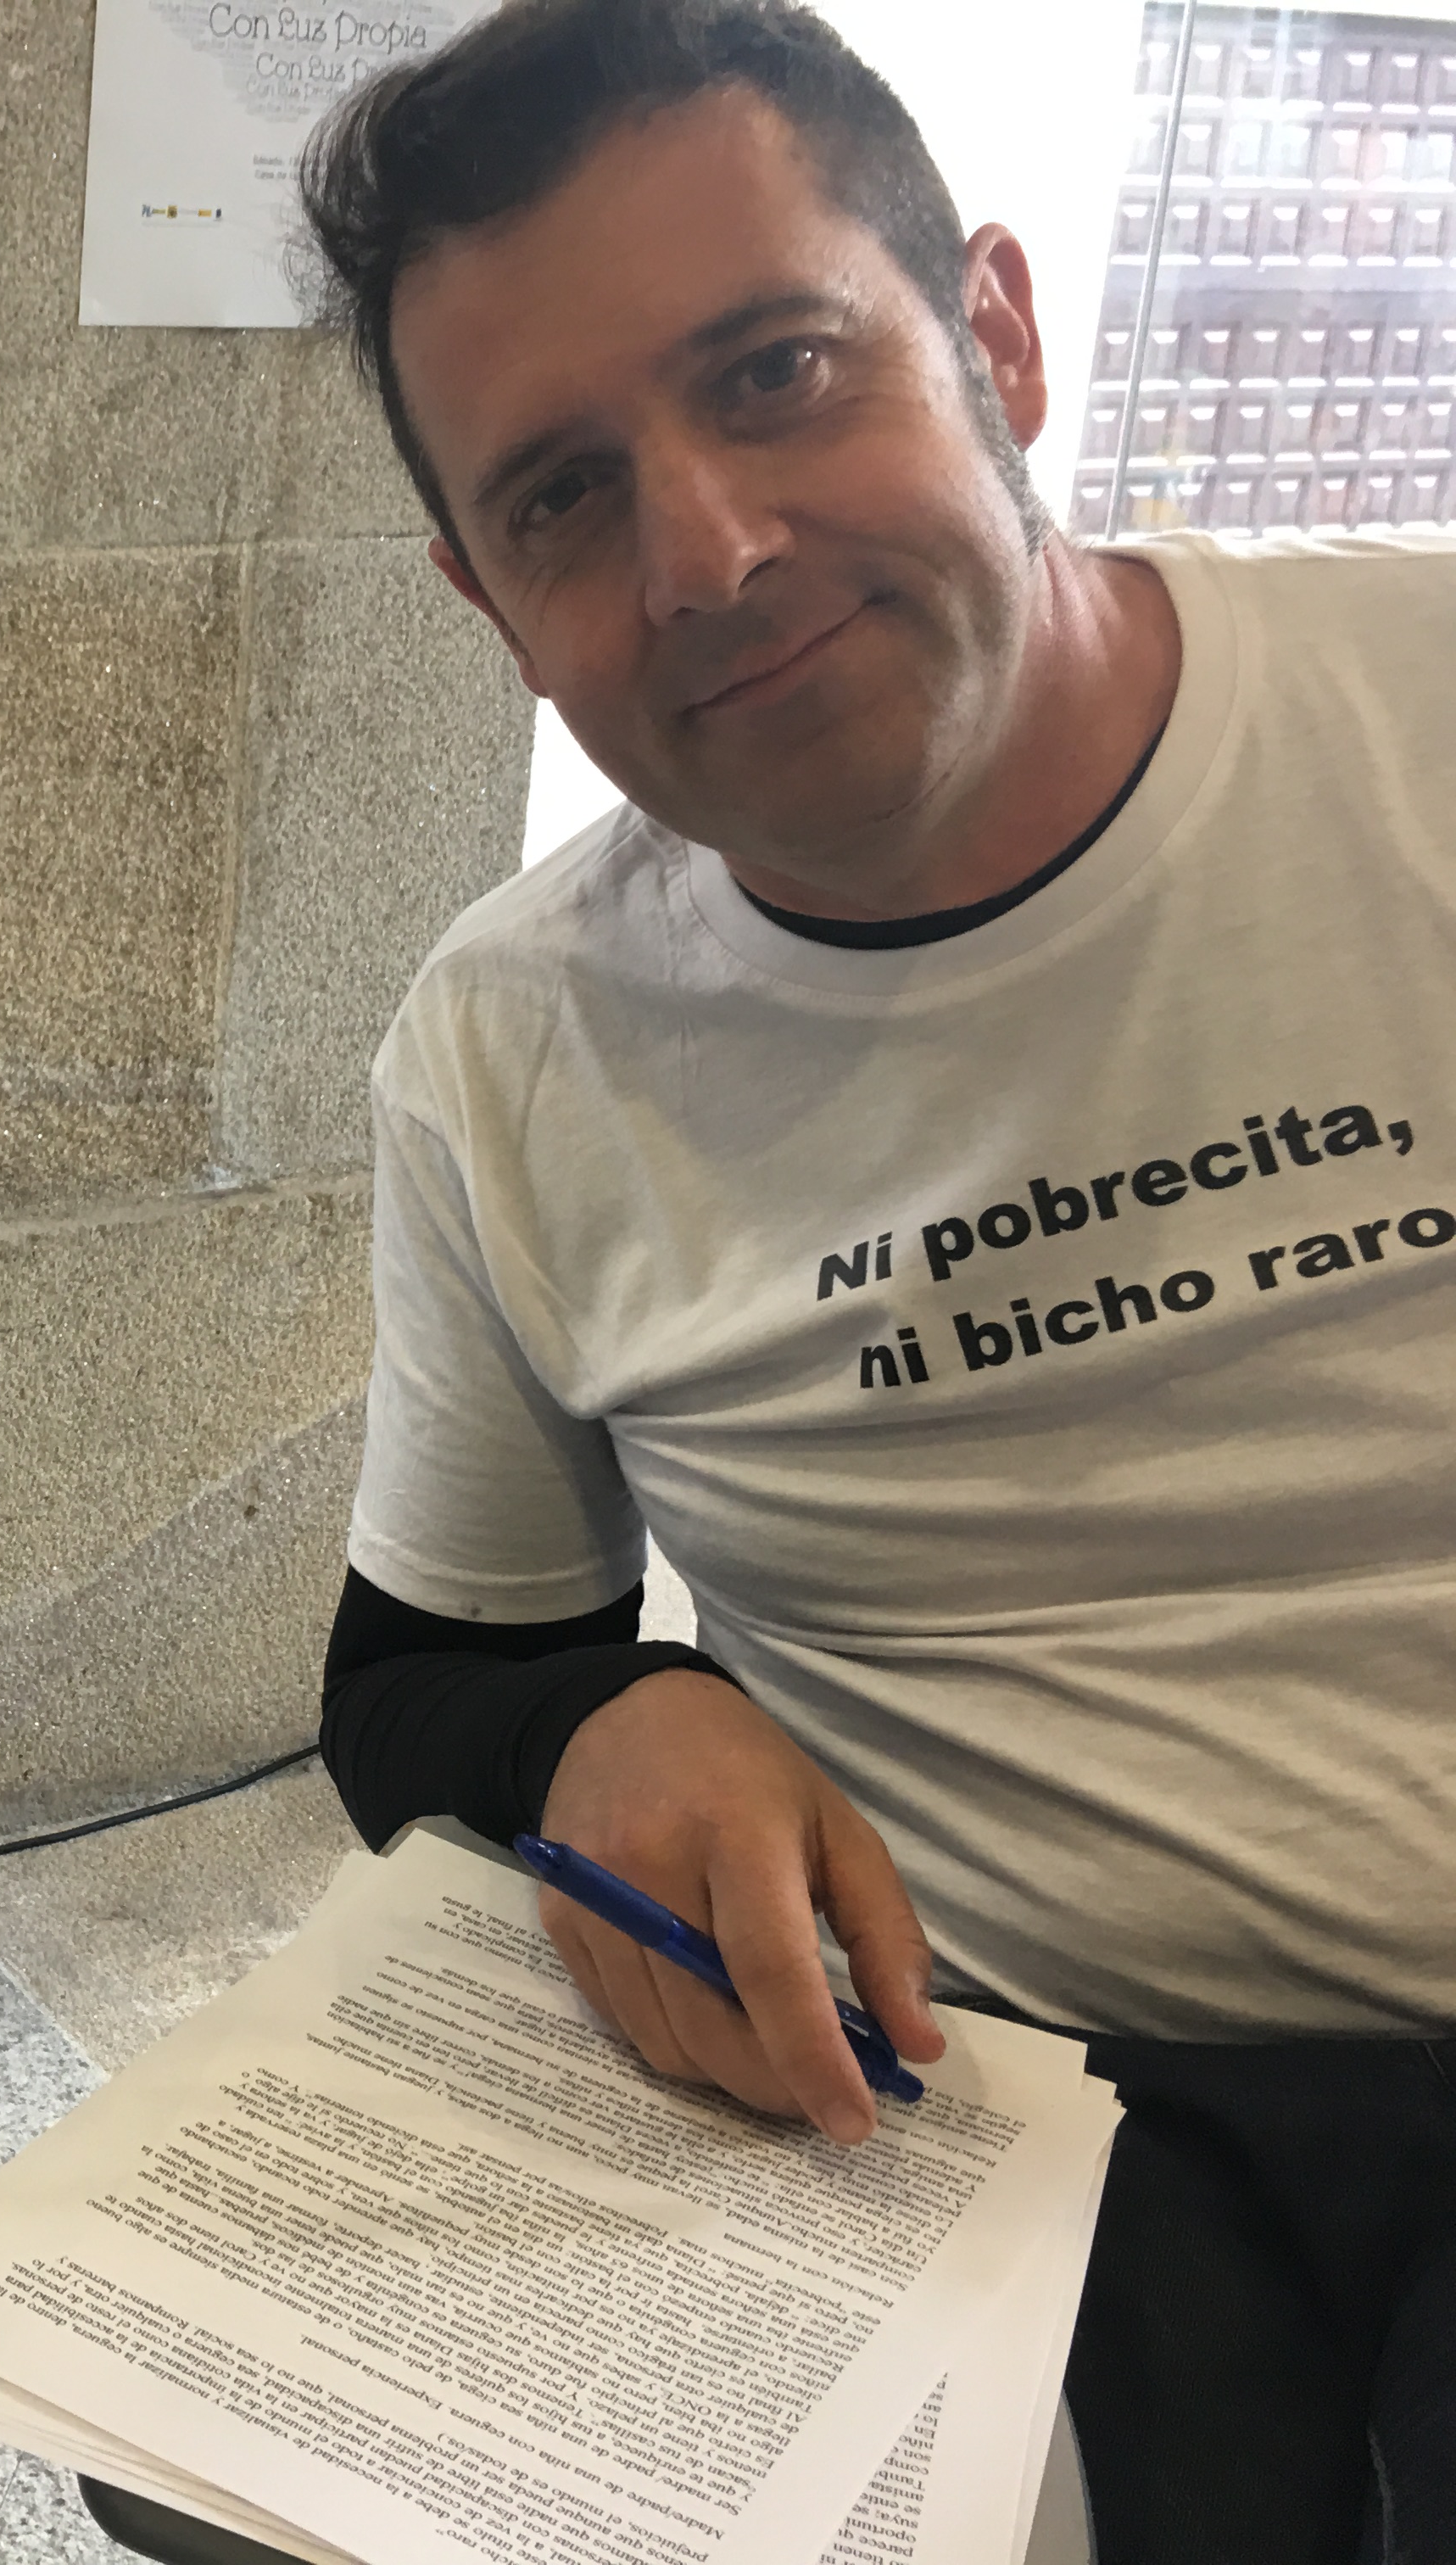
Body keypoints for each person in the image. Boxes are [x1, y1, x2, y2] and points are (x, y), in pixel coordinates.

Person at [294, 3, 1452, 2557]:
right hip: (1006, 2118)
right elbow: (423, 1685)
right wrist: (616, 1732)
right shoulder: (513, 1050)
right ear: (489, 598)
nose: (703, 552)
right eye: (566, 499)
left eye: (780, 372)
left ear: (1000, 336)